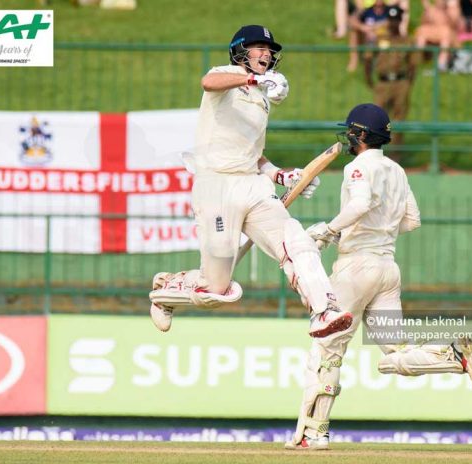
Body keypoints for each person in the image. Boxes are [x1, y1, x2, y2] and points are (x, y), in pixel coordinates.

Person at [284, 104, 472, 451]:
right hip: (387, 269)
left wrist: (329, 231)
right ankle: (450, 355)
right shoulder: (397, 170)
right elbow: (411, 220)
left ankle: (313, 433)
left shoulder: (357, 167)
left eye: (351, 131)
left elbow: (361, 204)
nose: (348, 137)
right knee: (393, 352)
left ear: (361, 134)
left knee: (327, 347)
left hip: (356, 267)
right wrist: (379, 230)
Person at [148, 25, 353, 340]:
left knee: (296, 241)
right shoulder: (226, 76)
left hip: (253, 186)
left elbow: (252, 152)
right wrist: (254, 78)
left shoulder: (263, 98)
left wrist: (279, 174)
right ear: (241, 51)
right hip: (215, 185)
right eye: (259, 48)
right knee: (218, 290)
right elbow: (208, 82)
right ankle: (167, 290)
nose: (267, 54)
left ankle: (324, 310)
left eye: (270, 50)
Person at [364, 5, 419, 156]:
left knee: (399, 121)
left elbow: (413, 65)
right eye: (391, 20)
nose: (393, 23)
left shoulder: (407, 41)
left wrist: (408, 84)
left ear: (401, 20)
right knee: (376, 120)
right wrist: (369, 79)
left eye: (396, 20)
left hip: (400, 82)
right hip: (383, 82)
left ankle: (395, 157)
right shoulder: (379, 39)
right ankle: (373, 155)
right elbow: (368, 59)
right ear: (387, 20)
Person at [415, 0, 462, 72]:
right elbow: (424, 22)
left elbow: (453, 24)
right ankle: (417, 60)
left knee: (445, 33)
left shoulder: (453, 9)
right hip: (434, 32)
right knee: (422, 31)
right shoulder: (433, 9)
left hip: (448, 34)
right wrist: (427, 9)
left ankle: (441, 64)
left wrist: (447, 11)